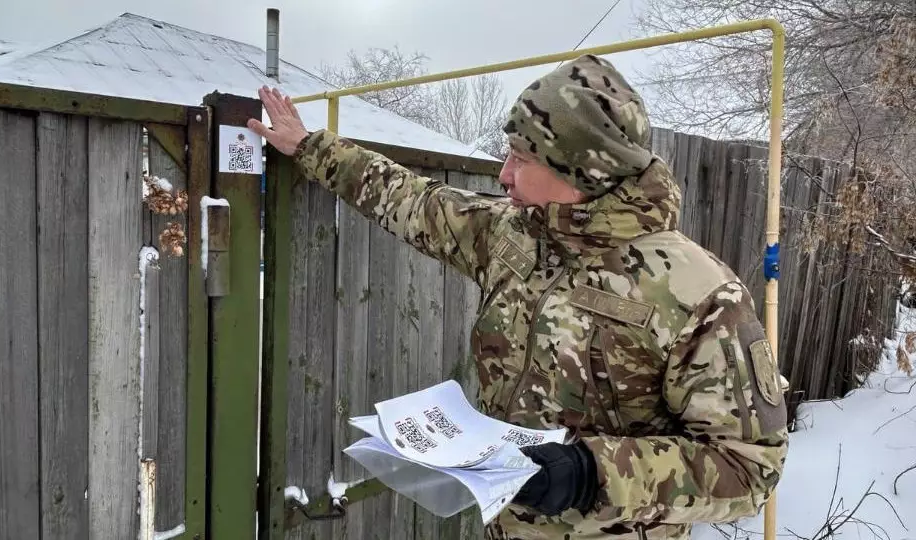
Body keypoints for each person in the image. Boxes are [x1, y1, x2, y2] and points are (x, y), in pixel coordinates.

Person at [249, 54, 788, 540]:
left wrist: (591, 473)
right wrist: (310, 146)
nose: (503, 174)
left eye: (520, 159)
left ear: (581, 170)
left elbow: (750, 468)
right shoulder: (513, 234)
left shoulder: (698, 294)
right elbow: (413, 201)